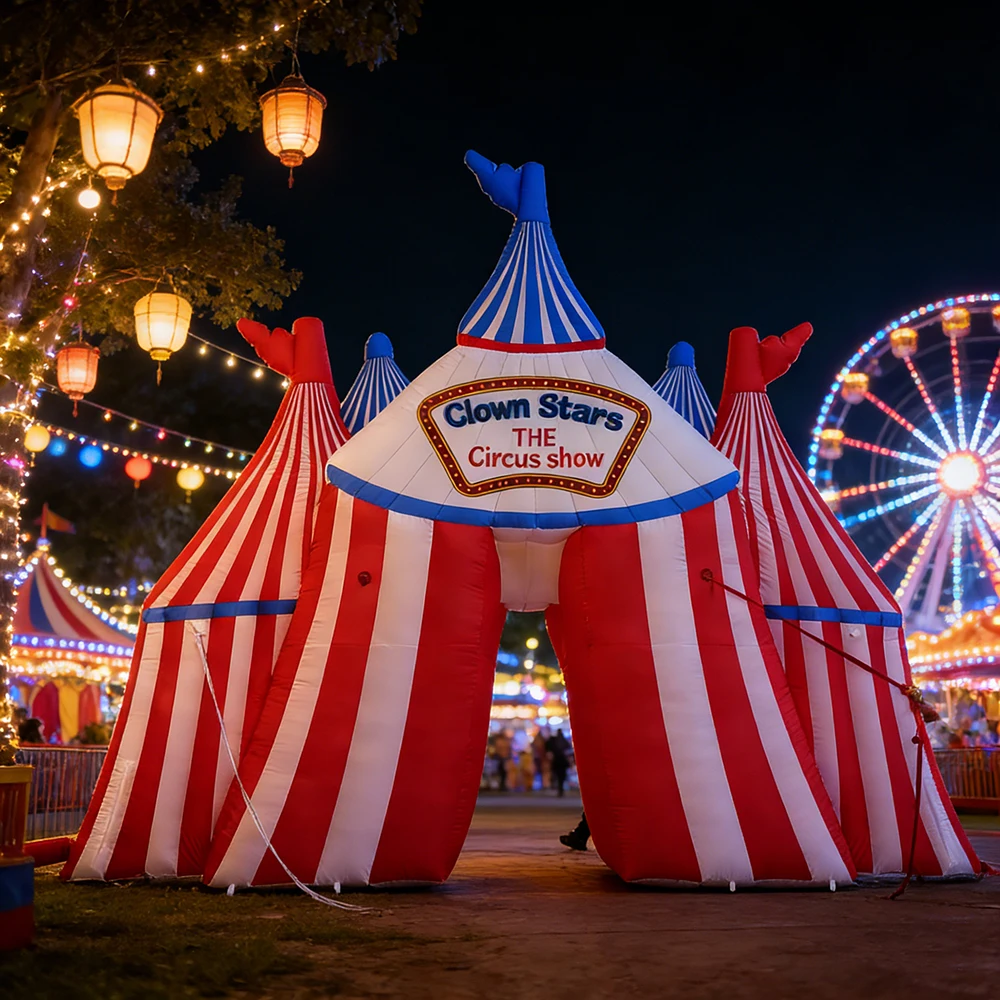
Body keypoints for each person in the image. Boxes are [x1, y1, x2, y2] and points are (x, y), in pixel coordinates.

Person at [546, 728, 571, 797]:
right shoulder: (563, 741)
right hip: (562, 762)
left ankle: (560, 789)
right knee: (562, 776)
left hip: (557, 761)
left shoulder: (555, 741)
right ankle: (561, 789)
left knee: (558, 776)